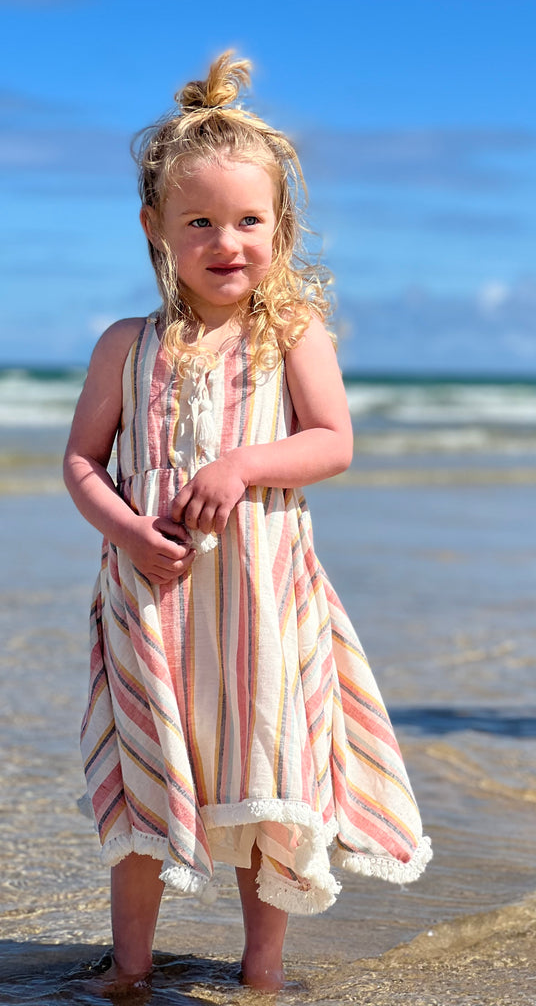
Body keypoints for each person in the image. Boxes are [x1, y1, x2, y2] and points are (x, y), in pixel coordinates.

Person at [64, 51, 431, 994]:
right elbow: (80, 462)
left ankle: (261, 967)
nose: (227, 242)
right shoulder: (124, 344)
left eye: (249, 221)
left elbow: (333, 441)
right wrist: (126, 531)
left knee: (264, 767)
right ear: (155, 228)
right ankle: (130, 970)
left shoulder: (292, 335)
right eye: (200, 222)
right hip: (153, 601)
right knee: (149, 772)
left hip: (260, 601)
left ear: (282, 225)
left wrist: (241, 464)